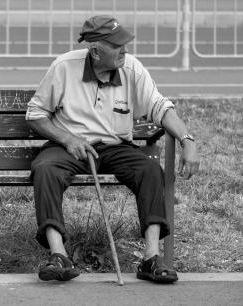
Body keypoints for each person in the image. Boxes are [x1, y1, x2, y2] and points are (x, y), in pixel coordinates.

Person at [25, 15, 200, 283]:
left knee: (150, 170)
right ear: (96, 51)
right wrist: (68, 139)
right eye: (117, 45)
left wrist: (188, 141)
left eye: (125, 43)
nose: (125, 50)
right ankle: (59, 255)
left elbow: (161, 108)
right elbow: (36, 113)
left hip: (116, 146)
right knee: (45, 169)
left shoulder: (131, 67)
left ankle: (151, 259)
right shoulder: (64, 67)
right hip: (71, 146)